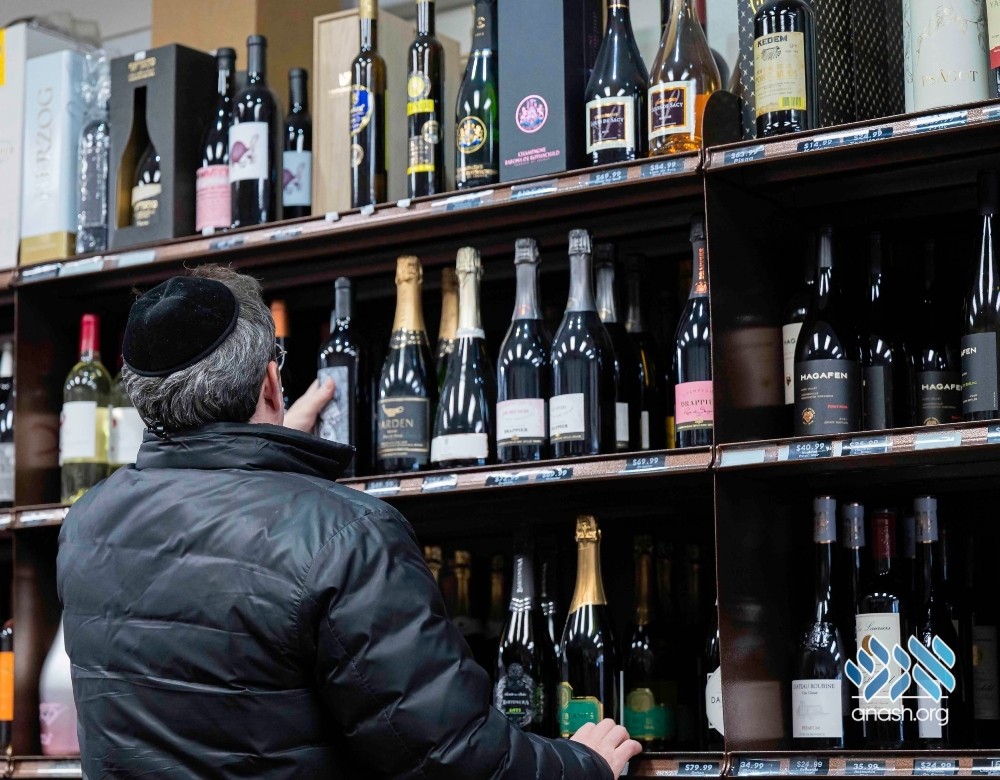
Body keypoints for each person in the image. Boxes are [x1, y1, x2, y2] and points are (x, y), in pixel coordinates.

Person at [57, 265, 642, 779]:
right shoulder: (349, 534)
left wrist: (270, 455)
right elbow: (449, 757)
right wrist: (583, 765)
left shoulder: (85, 525)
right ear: (271, 382)